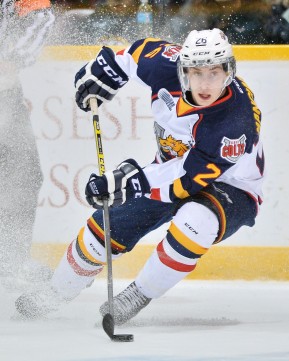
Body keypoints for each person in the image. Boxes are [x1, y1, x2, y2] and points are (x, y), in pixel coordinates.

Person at [15, 28, 265, 324]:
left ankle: (139, 293)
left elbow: (186, 179)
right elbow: (135, 54)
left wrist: (127, 181)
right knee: (105, 227)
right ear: (183, 69)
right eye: (196, 73)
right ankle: (56, 292)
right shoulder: (165, 65)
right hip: (168, 169)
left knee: (196, 222)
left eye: (214, 72)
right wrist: (106, 71)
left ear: (229, 72)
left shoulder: (236, 120)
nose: (205, 83)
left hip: (232, 187)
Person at [0, 0, 55, 289]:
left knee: (23, 175)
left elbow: (40, 17)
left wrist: (10, 57)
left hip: (5, 96)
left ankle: (9, 260)